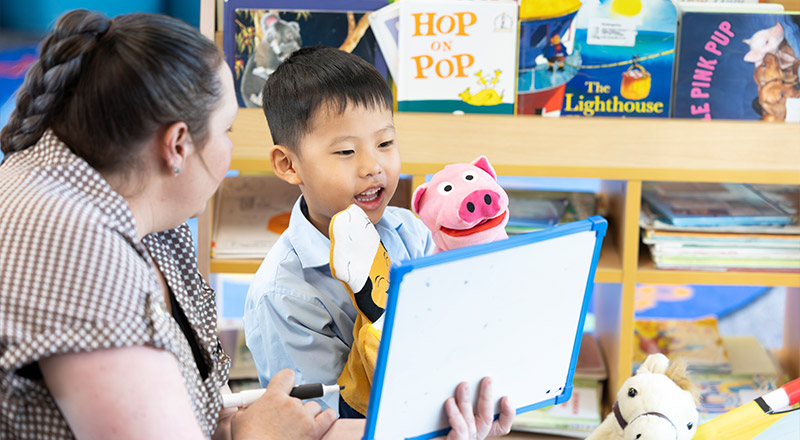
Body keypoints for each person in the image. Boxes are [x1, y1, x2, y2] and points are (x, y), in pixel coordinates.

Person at [0, 10, 511, 440]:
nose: (229, 150)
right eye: (227, 129)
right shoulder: (76, 252)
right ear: (177, 145)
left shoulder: (134, 205)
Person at [242, 44, 514, 430]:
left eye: (385, 143)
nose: (373, 167)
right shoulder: (282, 294)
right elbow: (318, 426)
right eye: (346, 151)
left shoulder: (411, 230)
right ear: (288, 164)